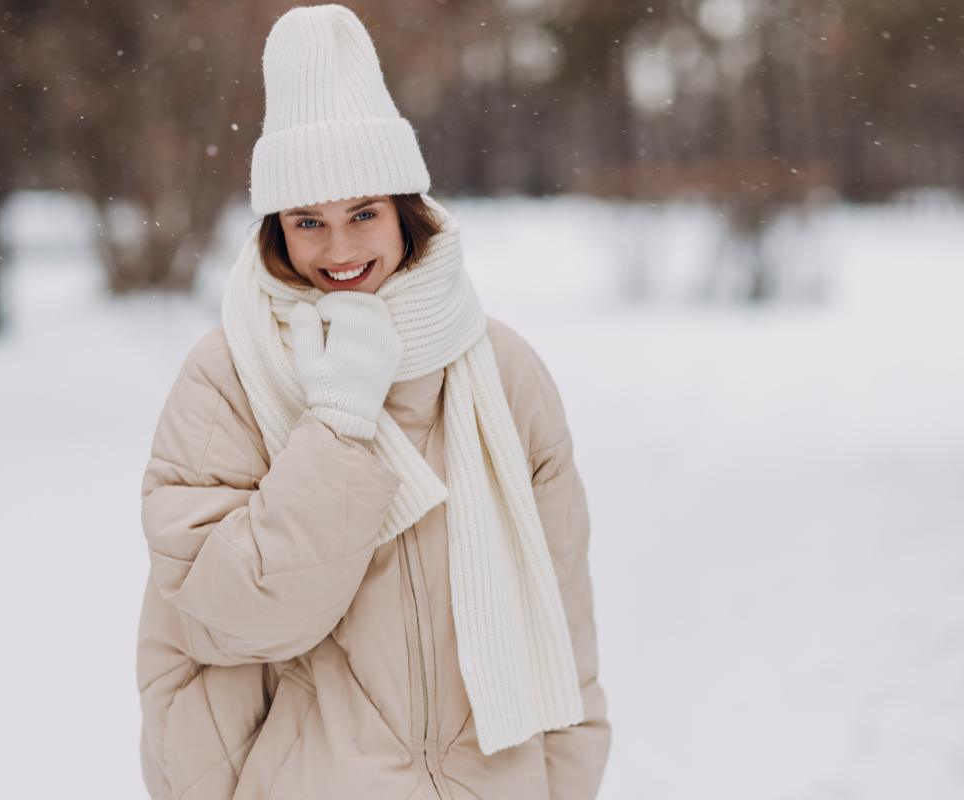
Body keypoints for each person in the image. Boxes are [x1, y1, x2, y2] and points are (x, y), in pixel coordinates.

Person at [135, 5, 610, 798]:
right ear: (276, 232)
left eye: (363, 213)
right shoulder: (228, 379)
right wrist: (339, 425)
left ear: (404, 212)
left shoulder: (502, 372)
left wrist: (564, 784)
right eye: (308, 222)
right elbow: (229, 617)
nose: (341, 249)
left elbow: (561, 616)